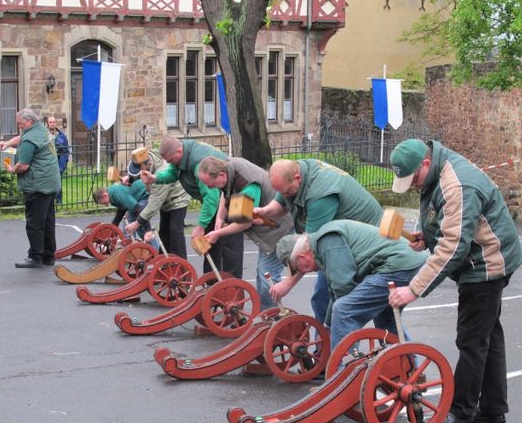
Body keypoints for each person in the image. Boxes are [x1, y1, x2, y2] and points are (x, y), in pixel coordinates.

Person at [387, 138, 522, 423]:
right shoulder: (436, 170)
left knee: (471, 341)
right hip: (485, 259)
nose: (412, 185)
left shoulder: (457, 184)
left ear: (425, 163)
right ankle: (492, 410)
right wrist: (426, 234)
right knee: (489, 336)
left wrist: (413, 289)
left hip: (487, 265)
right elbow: (447, 220)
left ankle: (460, 414)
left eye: (413, 178)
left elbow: (453, 247)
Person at [253, 159, 384, 326]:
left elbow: (308, 250)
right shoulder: (294, 172)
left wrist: (287, 284)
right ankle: (327, 345)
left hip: (364, 247)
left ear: (297, 178)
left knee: (351, 307)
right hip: (335, 243)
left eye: (285, 191)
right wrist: (265, 211)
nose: (284, 195)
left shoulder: (320, 196)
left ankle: (343, 348)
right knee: (322, 300)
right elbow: (281, 201)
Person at [275, 220, 426, 349]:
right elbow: (335, 290)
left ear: (302, 257)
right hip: (408, 261)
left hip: (398, 264)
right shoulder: (322, 246)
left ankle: (342, 372)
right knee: (386, 319)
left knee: (344, 309)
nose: (301, 272)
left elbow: (343, 287)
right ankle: (407, 369)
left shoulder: (327, 242)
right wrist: (327, 325)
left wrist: (332, 327)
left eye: (296, 268)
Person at [198, 156, 295, 309]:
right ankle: (265, 315)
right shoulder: (230, 168)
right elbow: (225, 192)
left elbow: (244, 222)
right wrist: (219, 217)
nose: (209, 187)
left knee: (266, 277)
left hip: (278, 229)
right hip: (265, 229)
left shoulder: (247, 183)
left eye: (210, 184)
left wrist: (218, 233)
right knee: (262, 274)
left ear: (221, 176)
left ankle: (271, 317)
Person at [142, 135, 244, 278]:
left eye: (170, 160)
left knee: (230, 246)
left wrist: (200, 226)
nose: (169, 163)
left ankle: (231, 290)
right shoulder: (181, 157)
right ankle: (212, 285)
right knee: (211, 242)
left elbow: (211, 199)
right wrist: (156, 178)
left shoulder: (198, 164)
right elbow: (173, 173)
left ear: (178, 152)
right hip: (221, 197)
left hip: (236, 198)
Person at [0, 108, 61, 268]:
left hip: (37, 184)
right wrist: (7, 143)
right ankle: (48, 255)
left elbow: (23, 165)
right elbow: (22, 137)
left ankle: (35, 256)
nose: (19, 126)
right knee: (47, 221)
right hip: (51, 182)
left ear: (29, 121)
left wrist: (12, 170)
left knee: (35, 222)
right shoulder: (40, 129)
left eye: (20, 123)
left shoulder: (30, 140)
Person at [125, 148, 190, 259]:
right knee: (164, 233)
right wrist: (130, 179)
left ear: (148, 164)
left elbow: (154, 204)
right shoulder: (147, 159)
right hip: (165, 201)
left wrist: (137, 223)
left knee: (175, 232)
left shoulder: (160, 172)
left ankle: (181, 265)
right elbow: (138, 173)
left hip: (178, 199)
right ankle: (164, 262)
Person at [47, 116, 69, 204]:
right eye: (50, 122)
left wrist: (64, 163)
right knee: (49, 182)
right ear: (47, 124)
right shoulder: (44, 135)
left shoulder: (61, 136)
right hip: (48, 162)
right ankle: (49, 200)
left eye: (54, 122)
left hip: (60, 161)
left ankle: (58, 201)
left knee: (58, 181)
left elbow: (66, 150)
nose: (52, 124)